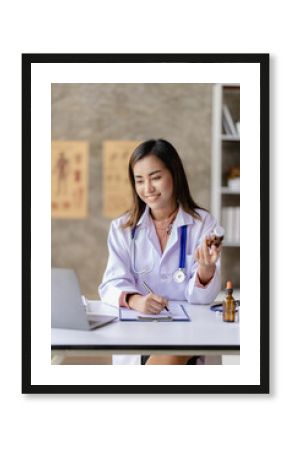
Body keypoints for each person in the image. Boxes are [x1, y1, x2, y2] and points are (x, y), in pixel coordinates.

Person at [98, 139, 222, 365]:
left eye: (155, 177)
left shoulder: (203, 223)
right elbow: (110, 283)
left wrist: (205, 269)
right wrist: (135, 300)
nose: (148, 189)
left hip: (188, 331)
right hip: (139, 327)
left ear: (174, 174)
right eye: (139, 180)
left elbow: (204, 298)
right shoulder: (123, 228)